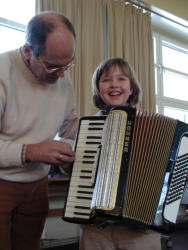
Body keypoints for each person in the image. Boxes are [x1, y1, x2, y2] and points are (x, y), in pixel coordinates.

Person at [0, 11, 79, 250]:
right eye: (53, 66)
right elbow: (34, 150)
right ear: (27, 51)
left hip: (38, 185)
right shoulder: (3, 72)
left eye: (68, 64)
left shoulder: (62, 78)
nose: (63, 75)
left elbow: (69, 125)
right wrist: (31, 152)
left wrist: (104, 123)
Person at [79, 58, 161, 250]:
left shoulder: (153, 127)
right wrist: (70, 166)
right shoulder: (87, 128)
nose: (114, 84)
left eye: (121, 78)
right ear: (99, 89)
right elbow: (78, 170)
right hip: (96, 228)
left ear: (131, 88)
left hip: (140, 230)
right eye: (106, 80)